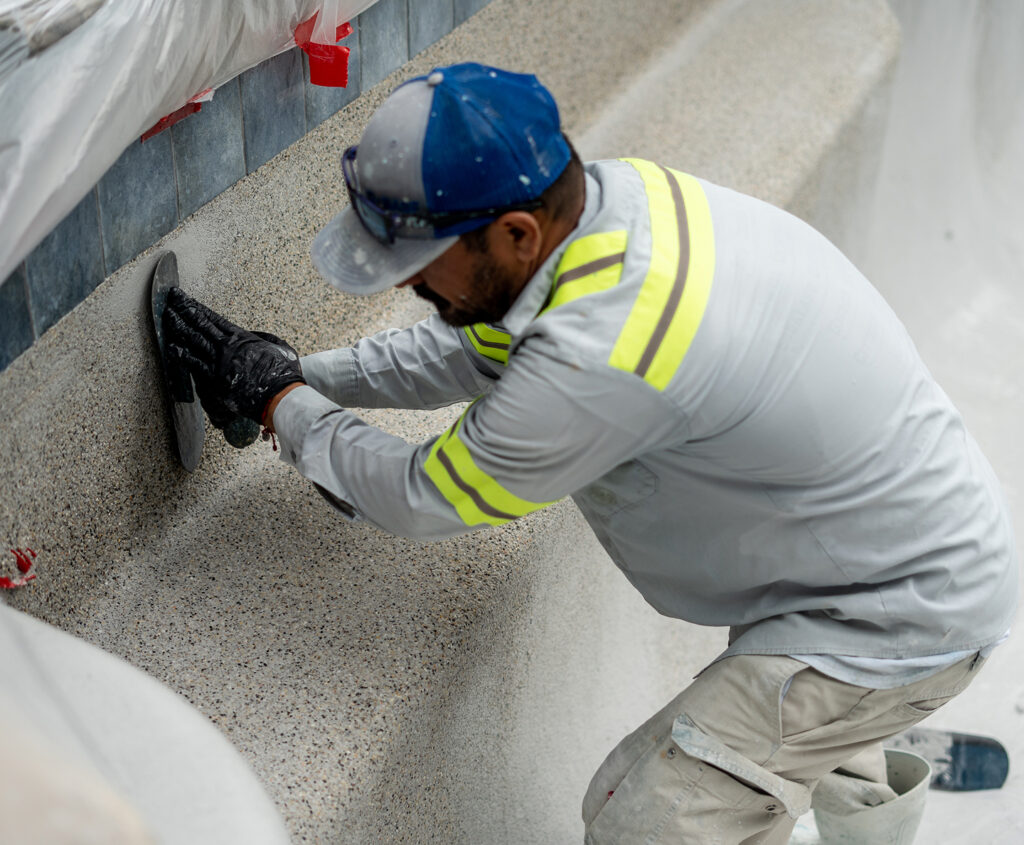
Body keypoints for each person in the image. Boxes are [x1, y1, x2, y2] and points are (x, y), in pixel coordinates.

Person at [165, 62, 1018, 843]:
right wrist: (305, 373)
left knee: (649, 820)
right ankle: (863, 735)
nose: (404, 286)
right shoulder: (606, 211)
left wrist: (281, 405)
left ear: (515, 234)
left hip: (897, 612)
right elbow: (471, 352)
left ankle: (871, 710)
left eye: (420, 263)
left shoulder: (606, 351)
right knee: (812, 730)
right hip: (881, 553)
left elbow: (423, 495)